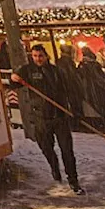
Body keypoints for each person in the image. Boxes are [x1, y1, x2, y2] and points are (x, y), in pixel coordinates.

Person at [13, 45, 83, 194]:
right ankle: (54, 167)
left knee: (67, 150)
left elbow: (69, 90)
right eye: (35, 56)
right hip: (40, 118)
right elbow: (15, 83)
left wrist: (75, 110)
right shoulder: (28, 71)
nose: (38, 59)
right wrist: (14, 78)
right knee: (46, 148)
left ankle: (73, 180)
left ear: (46, 56)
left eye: (40, 56)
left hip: (59, 116)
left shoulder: (57, 72)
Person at [76, 47, 105, 129]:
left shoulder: (83, 64)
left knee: (97, 105)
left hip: (91, 87)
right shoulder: (96, 64)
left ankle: (104, 121)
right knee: (103, 105)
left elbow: (80, 74)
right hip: (100, 86)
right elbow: (103, 75)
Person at [57, 44, 85, 124]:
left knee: (74, 105)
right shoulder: (67, 61)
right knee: (76, 105)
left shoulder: (62, 61)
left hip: (69, 87)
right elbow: (71, 74)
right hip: (71, 87)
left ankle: (77, 121)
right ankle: (78, 121)